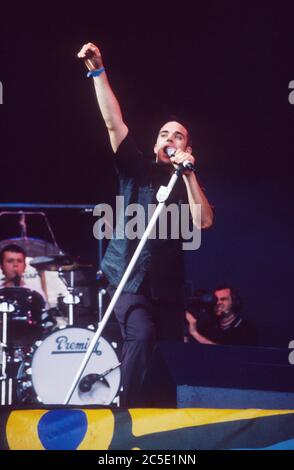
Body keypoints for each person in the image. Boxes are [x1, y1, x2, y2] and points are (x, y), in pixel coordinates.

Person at [77, 43, 214, 406]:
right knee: (141, 334)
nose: (171, 139)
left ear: (187, 147)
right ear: (155, 145)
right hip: (130, 277)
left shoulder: (188, 183)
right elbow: (113, 123)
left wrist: (190, 173)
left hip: (168, 287)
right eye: (165, 135)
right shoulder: (138, 170)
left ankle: (163, 422)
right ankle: (130, 416)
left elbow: (204, 221)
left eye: (179, 136)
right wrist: (97, 71)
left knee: (168, 350)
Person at [185, 286, 257, 346]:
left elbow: (225, 355)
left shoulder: (246, 329)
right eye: (216, 300)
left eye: (223, 299)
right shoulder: (210, 327)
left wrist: (194, 333)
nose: (218, 303)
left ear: (234, 303)